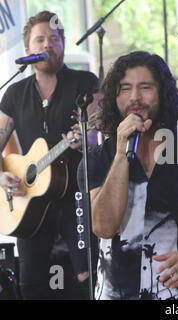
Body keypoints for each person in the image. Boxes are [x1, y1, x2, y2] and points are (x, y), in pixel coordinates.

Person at [87, 51, 178, 300]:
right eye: (125, 89)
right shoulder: (99, 159)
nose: (135, 97)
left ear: (163, 94)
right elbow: (104, 227)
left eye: (145, 87)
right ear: (114, 97)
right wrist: (122, 154)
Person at [0, 11, 98, 299]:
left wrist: (85, 140)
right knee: (31, 282)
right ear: (27, 49)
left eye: (54, 39)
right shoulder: (15, 93)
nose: (47, 45)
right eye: (40, 39)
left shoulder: (84, 82)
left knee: (84, 275)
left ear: (63, 44)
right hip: (27, 200)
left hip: (76, 191)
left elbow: (93, 132)